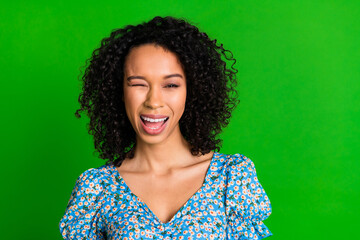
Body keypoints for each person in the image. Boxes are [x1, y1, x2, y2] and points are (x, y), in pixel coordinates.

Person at [59, 16, 272, 239]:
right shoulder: (96, 189)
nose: (154, 101)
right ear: (120, 91)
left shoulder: (231, 177)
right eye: (139, 84)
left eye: (171, 85)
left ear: (192, 90)